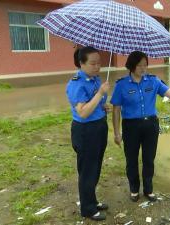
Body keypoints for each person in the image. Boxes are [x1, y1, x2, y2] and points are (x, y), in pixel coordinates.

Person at [111, 51, 170, 202]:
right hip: (131, 126)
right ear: (131, 66)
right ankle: (134, 189)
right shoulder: (121, 85)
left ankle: (148, 189)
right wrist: (116, 132)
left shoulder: (153, 81)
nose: (143, 68)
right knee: (131, 159)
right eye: (139, 65)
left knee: (149, 159)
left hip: (150, 125)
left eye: (145, 65)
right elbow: (116, 109)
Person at [66, 46, 110, 221]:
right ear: (81, 63)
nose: (97, 66)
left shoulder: (96, 79)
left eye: (99, 63)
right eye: (93, 63)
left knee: (96, 166)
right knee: (87, 170)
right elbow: (83, 112)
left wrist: (103, 106)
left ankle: (92, 200)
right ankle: (88, 209)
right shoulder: (76, 83)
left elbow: (94, 105)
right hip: (85, 131)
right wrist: (100, 94)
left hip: (99, 127)